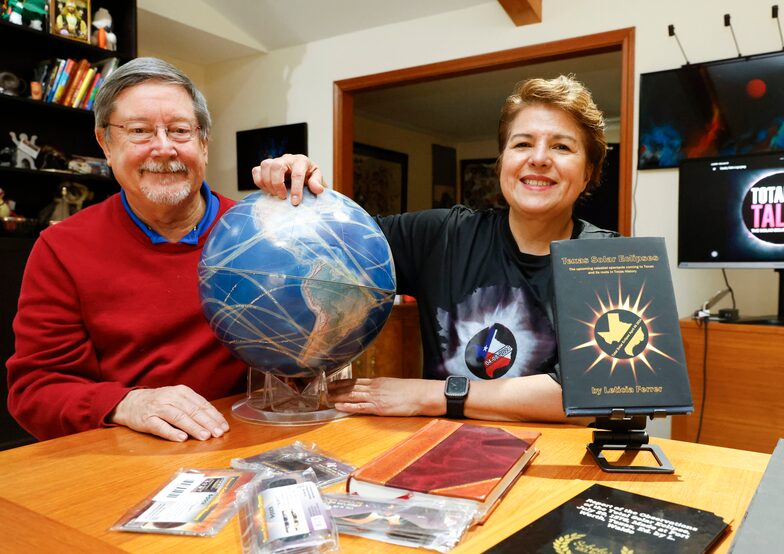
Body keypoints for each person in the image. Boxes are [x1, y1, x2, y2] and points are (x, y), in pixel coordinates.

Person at [256, 76, 618, 422]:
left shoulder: (608, 262)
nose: (538, 158)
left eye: (561, 146)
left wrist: (431, 395)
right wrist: (300, 184)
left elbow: (596, 391)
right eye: (522, 144)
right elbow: (334, 242)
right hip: (446, 455)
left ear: (588, 172)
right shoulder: (442, 236)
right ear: (503, 162)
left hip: (557, 465)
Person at [6, 57, 323, 442]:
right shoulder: (61, 248)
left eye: (180, 130)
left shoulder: (260, 231)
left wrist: (308, 211)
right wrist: (126, 404)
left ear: (204, 143)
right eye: (139, 131)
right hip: (128, 455)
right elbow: (35, 391)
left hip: (247, 440)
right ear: (106, 144)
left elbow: (313, 347)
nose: (163, 148)